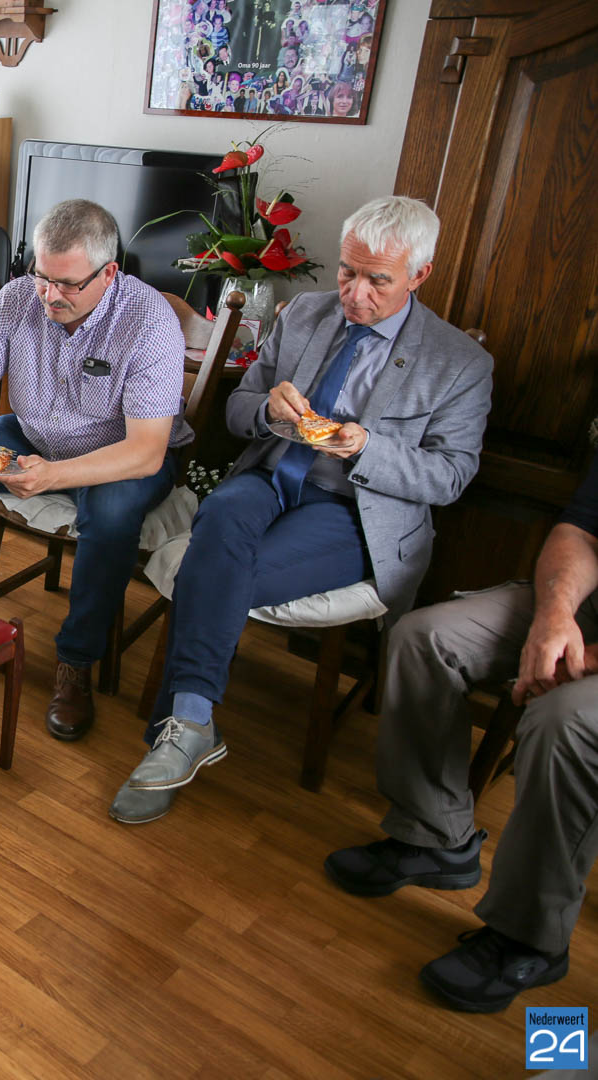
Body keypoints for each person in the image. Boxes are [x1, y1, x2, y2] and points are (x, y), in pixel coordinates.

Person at [110, 195, 493, 825]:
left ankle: (184, 727)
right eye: (347, 271)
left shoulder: (459, 362)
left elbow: (450, 477)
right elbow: (237, 412)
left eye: (377, 280)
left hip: (355, 510)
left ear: (419, 275)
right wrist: (267, 410)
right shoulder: (305, 314)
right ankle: (191, 726)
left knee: (214, 567)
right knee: (223, 518)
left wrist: (368, 448)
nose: (355, 294)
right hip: (269, 478)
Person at [0, 199, 189, 743]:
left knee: (111, 515)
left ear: (109, 273)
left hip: (120, 456)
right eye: (42, 276)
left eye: (68, 284)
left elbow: (147, 451)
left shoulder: (148, 321)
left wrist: (55, 476)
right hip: (33, 437)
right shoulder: (17, 298)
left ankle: (75, 662)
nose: (50, 295)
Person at [323, 458, 598, 1012]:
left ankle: (531, 937)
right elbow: (581, 530)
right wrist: (554, 618)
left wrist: (583, 660)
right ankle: (435, 836)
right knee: (422, 637)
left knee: (563, 720)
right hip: (588, 606)